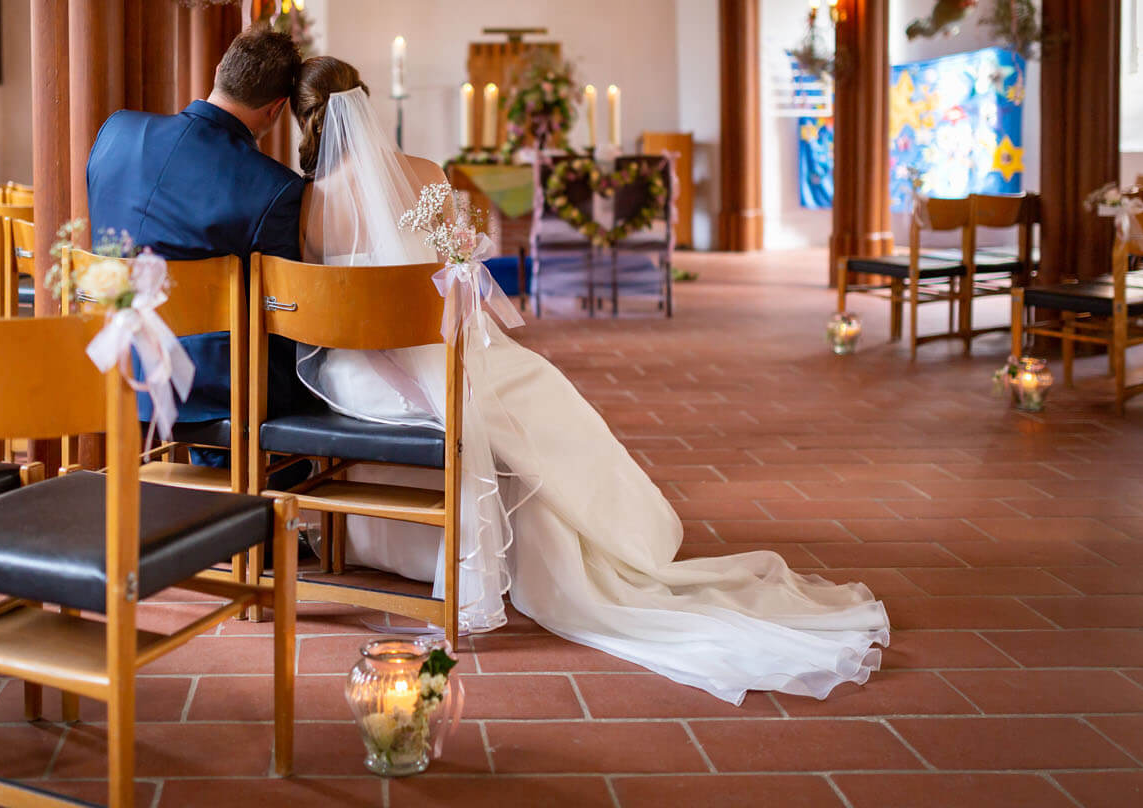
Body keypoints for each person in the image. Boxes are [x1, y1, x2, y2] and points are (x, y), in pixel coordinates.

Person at [291, 56, 891, 706]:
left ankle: (465, 553)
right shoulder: (427, 174)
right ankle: (595, 541)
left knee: (491, 414)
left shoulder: (311, 206)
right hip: (444, 352)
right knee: (531, 397)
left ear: (304, 117)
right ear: (368, 103)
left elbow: (327, 311)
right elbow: (454, 276)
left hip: (365, 376)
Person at [87, 25, 306, 437]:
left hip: (110, 361)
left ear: (220, 69)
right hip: (208, 388)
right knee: (305, 368)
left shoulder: (115, 132)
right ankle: (265, 490)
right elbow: (282, 310)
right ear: (276, 110)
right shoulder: (274, 188)